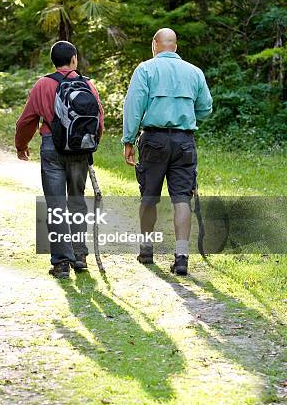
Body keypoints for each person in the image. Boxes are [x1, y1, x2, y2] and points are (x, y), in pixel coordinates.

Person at [122, 28, 212, 275]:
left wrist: (128, 140)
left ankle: (147, 249)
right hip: (184, 142)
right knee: (182, 198)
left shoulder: (145, 69)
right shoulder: (195, 72)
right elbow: (206, 108)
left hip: (153, 140)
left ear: (155, 44)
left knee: (149, 196)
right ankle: (181, 256)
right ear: (176, 45)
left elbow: (133, 106)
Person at [15, 41, 104, 279]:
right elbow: (98, 119)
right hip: (79, 151)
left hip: (52, 149)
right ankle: (80, 255)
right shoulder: (87, 85)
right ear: (74, 59)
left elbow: (26, 121)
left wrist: (21, 146)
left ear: (53, 61)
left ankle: (62, 263)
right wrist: (89, 145)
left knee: (56, 205)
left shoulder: (43, 84)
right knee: (76, 201)